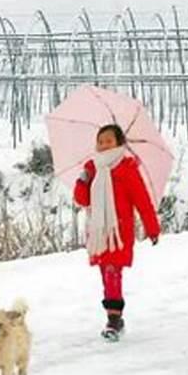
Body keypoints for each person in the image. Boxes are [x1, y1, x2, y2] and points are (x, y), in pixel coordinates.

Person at [74, 124, 160, 341]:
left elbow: (142, 200)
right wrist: (82, 181)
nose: (104, 145)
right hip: (98, 232)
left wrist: (152, 228)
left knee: (113, 271)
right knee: (105, 273)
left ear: (120, 143)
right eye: (100, 141)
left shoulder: (127, 169)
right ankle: (113, 315)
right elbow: (82, 200)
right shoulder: (92, 168)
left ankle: (114, 319)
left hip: (119, 232)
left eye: (109, 141)